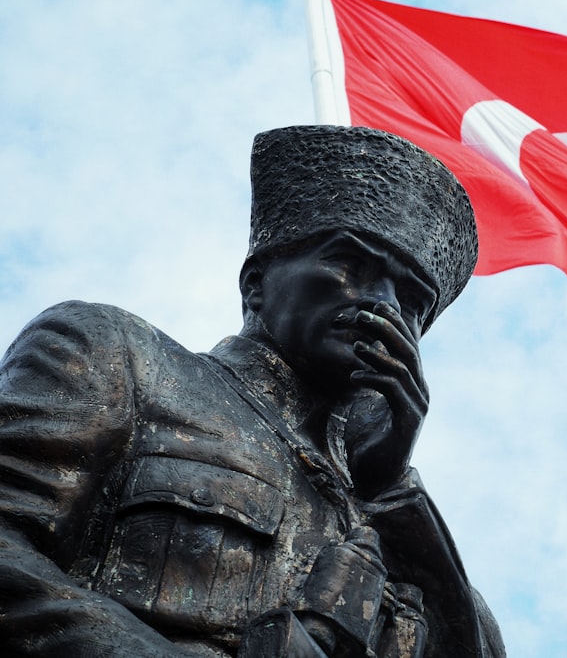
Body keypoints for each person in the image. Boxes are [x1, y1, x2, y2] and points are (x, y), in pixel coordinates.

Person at [0, 126, 504, 657]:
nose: (383, 305)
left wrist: (388, 490)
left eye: (412, 300)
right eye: (351, 265)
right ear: (256, 283)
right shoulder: (116, 355)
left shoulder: (417, 542)